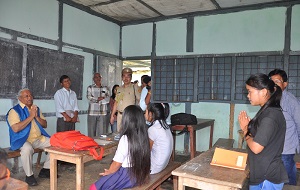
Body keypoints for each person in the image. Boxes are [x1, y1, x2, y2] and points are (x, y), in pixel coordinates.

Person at [238, 73, 288, 190]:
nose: (248, 96)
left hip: (267, 177)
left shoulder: (270, 116)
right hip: (261, 173)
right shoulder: (267, 112)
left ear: (264, 92)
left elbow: (256, 148)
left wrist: (246, 130)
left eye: (250, 91)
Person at [90, 105, 151, 190]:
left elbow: (116, 164)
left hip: (126, 175)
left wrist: (109, 172)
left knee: (94, 187)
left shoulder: (126, 138)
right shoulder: (144, 135)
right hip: (139, 174)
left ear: (127, 120)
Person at [6, 89, 51, 186]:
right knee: (27, 149)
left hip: (38, 138)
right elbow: (15, 128)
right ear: (20, 98)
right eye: (26, 96)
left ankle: (46, 170)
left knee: (55, 144)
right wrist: (30, 117)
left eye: (31, 95)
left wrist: (36, 117)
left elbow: (45, 124)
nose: (30, 97)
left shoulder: (36, 109)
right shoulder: (14, 111)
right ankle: (29, 176)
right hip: (22, 140)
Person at [268, 69, 300, 185]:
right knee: (275, 177)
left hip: (286, 147)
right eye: (271, 81)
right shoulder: (269, 100)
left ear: (285, 84)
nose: (274, 84)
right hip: (272, 146)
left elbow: (299, 124)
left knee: (286, 177)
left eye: (277, 81)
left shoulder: (291, 101)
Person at [110, 68, 141, 132]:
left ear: (131, 78)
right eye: (124, 76)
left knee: (129, 135)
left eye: (128, 76)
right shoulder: (119, 89)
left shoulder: (134, 87)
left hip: (130, 116)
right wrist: (112, 115)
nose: (126, 78)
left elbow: (140, 101)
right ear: (121, 77)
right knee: (119, 134)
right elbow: (116, 102)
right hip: (120, 115)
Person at [145, 103, 173, 174]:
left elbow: (147, 152)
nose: (145, 115)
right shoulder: (165, 125)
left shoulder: (153, 129)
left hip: (154, 167)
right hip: (163, 164)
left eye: (146, 112)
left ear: (151, 114)